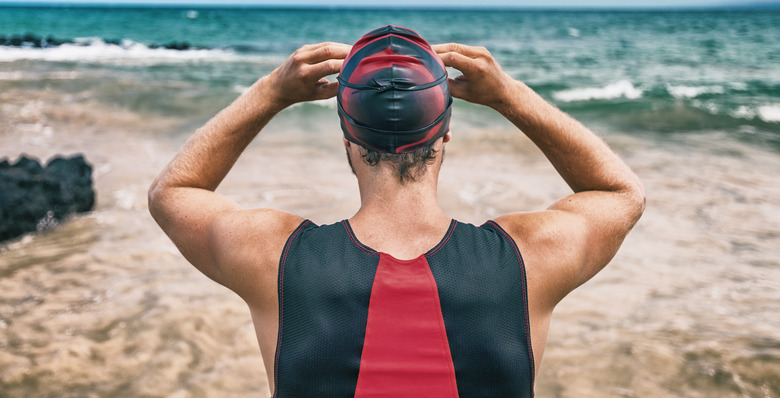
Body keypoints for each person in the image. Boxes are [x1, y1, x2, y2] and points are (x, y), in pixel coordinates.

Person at [148, 25, 645, 397]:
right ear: (446, 132)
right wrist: (508, 96)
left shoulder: (275, 258)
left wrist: (271, 93)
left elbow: (173, 192)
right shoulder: (527, 258)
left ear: (346, 137)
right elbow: (621, 194)